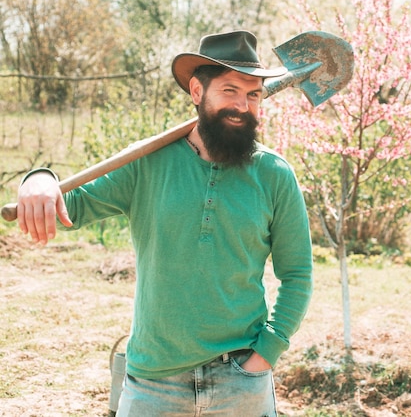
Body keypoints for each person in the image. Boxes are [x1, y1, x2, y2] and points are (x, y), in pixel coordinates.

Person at [16, 30, 313, 416]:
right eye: (229, 91)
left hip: (239, 382)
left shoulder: (274, 174)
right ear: (196, 91)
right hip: (153, 383)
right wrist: (38, 179)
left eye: (253, 94)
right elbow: (69, 206)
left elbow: (298, 274)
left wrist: (265, 354)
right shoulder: (146, 164)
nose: (243, 105)